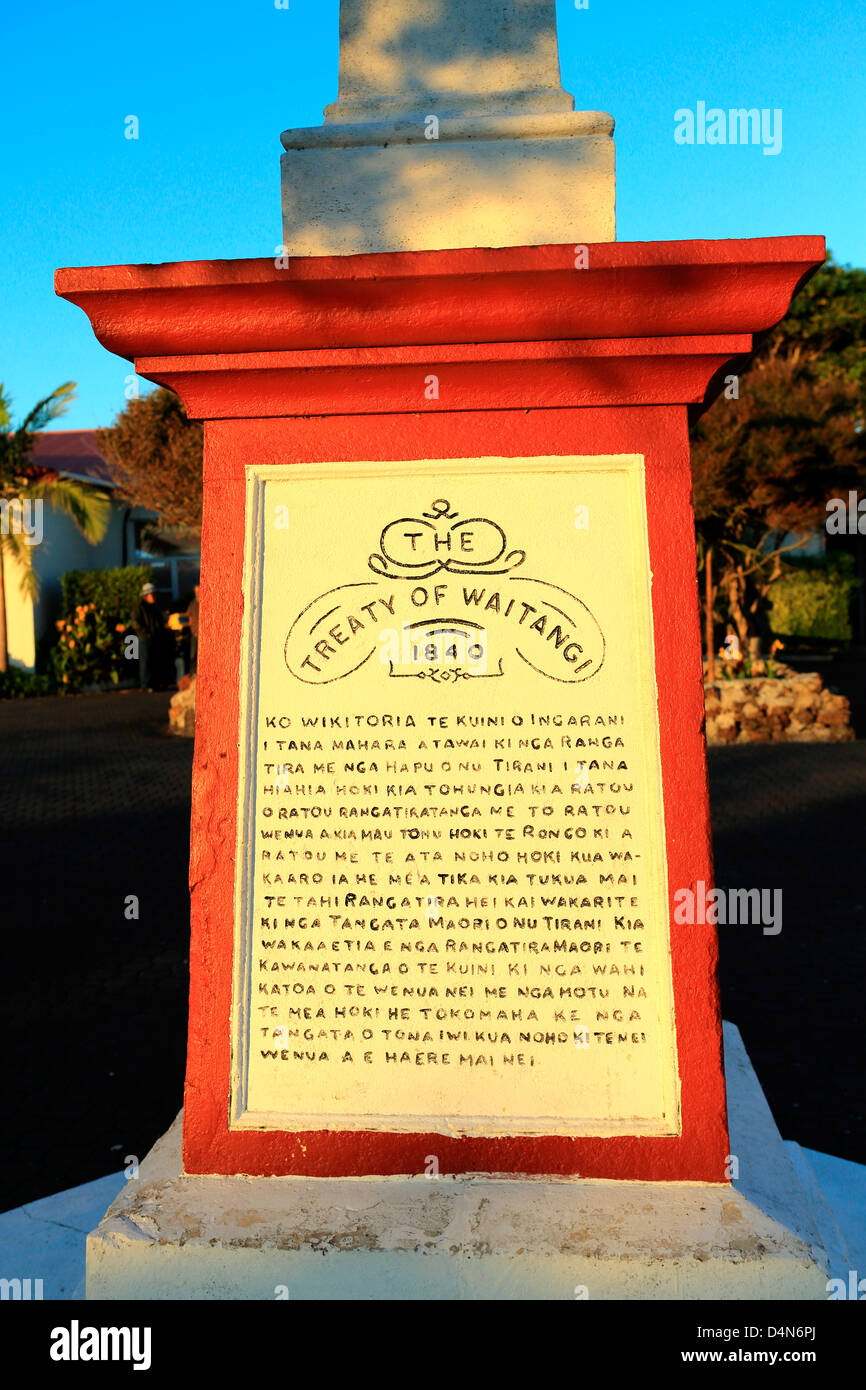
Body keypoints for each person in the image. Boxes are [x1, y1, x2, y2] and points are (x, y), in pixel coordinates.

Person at [131, 582, 165, 691]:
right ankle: (145, 685)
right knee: (145, 661)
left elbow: (159, 620)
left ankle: (154, 684)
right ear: (146, 595)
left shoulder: (154, 606)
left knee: (155, 660)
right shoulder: (139, 606)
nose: (154, 596)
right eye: (152, 594)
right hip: (144, 638)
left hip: (155, 637)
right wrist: (145, 632)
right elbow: (135, 622)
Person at [186, 584, 200, 676]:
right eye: (196, 591)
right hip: (195, 633)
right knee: (193, 654)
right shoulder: (192, 604)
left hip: (203, 634)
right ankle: (193, 673)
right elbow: (189, 617)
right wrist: (191, 628)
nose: (197, 593)